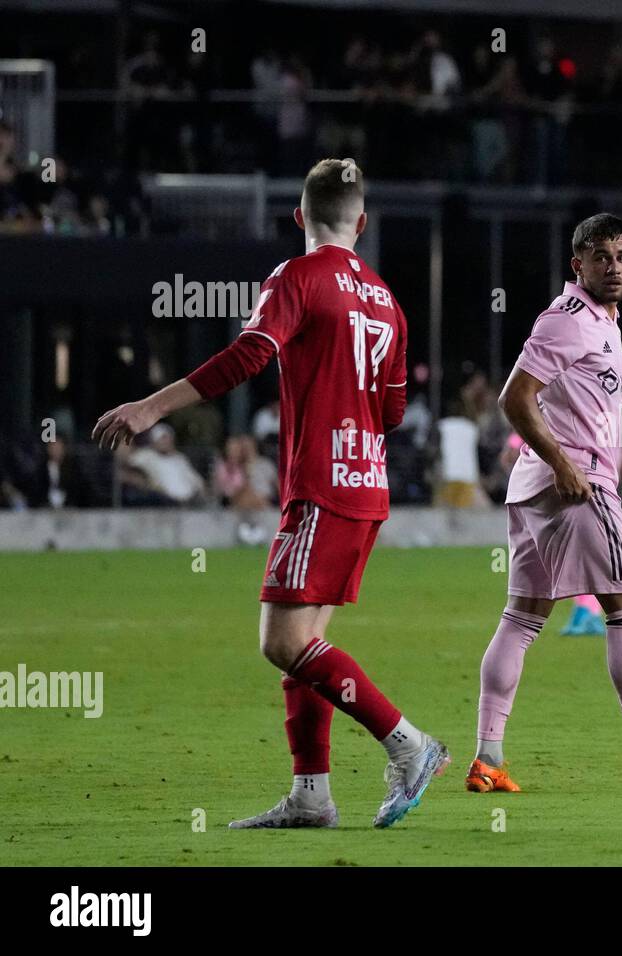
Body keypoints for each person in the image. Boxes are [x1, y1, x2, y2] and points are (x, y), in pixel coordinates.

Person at [93, 159, 448, 829]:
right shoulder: (388, 301)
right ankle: (312, 795)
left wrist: (150, 407)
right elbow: (393, 411)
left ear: (299, 218)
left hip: (320, 484)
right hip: (368, 485)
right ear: (362, 223)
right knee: (308, 645)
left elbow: (249, 355)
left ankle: (410, 744)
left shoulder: (297, 277)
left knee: (281, 643)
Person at [467, 213, 622, 794]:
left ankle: (488, 758)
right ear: (577, 263)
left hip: (534, 492)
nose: (614, 266)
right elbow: (515, 398)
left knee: (522, 618)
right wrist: (565, 465)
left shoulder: (603, 322)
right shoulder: (570, 319)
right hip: (572, 486)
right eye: (601, 256)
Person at [560, 351, 622, 637]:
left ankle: (586, 611)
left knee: (593, 540)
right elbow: (532, 400)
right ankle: (584, 611)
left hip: (601, 465)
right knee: (580, 541)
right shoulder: (560, 350)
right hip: (559, 462)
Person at [120, 423, 206, 505]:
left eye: (168, 438)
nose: (166, 442)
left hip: (190, 502)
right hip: (164, 502)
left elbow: (195, 479)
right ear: (154, 440)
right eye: (162, 438)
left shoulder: (179, 458)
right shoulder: (146, 455)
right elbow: (127, 462)